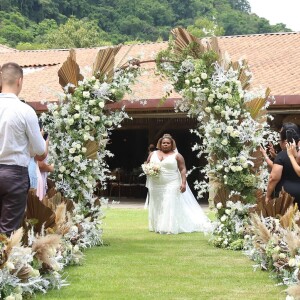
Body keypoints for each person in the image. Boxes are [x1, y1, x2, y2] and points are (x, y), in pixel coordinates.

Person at [0, 62, 47, 235]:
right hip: (13, 174)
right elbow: (41, 151)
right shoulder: (25, 111)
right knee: (8, 230)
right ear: (19, 81)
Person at [145, 133, 212, 234]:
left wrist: (183, 183)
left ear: (172, 145)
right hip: (156, 184)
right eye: (163, 143)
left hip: (172, 182)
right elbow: (147, 164)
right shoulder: (153, 154)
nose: (165, 144)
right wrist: (149, 170)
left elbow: (182, 169)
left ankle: (168, 227)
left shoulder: (177, 156)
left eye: (168, 143)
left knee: (169, 203)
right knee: (157, 203)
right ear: (160, 144)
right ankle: (157, 225)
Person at [265, 123, 300, 205]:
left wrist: (268, 195)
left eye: (279, 140)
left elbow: (273, 178)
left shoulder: (282, 155)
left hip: (286, 197)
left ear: (285, 141)